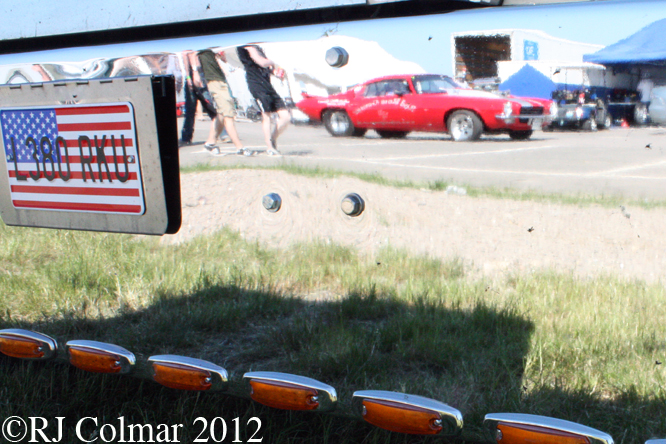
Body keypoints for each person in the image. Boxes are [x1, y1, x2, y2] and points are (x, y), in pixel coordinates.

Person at [237, 44, 290, 156]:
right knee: (266, 116)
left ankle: (273, 138)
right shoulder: (247, 47)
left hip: (267, 85)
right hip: (257, 86)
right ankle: (269, 146)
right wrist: (276, 60)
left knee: (285, 116)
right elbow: (261, 62)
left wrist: (275, 72)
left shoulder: (257, 48)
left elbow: (267, 67)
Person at [196, 48, 248, 155]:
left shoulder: (214, 49)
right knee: (228, 115)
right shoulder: (201, 48)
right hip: (215, 82)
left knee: (221, 114)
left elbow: (224, 60)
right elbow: (191, 55)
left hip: (221, 80)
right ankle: (239, 147)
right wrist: (193, 72)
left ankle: (210, 143)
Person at [179, 50, 217, 147]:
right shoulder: (188, 49)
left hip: (202, 74)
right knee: (191, 109)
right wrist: (188, 77)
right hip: (194, 75)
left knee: (209, 106)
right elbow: (185, 56)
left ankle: (221, 132)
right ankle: (186, 137)